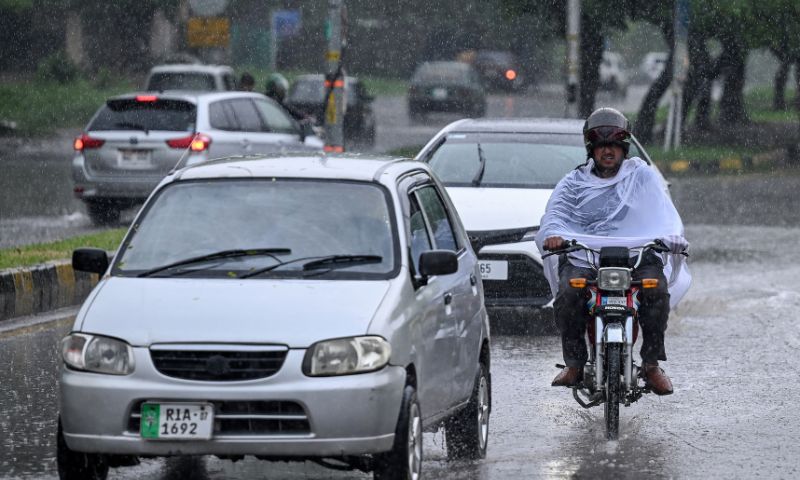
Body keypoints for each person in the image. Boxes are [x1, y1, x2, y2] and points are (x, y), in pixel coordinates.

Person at [535, 107, 691, 396]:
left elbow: (664, 213)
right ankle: (575, 364)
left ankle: (652, 364)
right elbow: (555, 214)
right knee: (569, 292)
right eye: (602, 146)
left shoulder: (642, 176)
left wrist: (671, 237)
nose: (608, 152)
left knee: (656, 289)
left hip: (638, 254)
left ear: (624, 148)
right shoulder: (574, 182)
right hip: (585, 255)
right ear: (591, 149)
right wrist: (554, 236)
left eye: (614, 146)